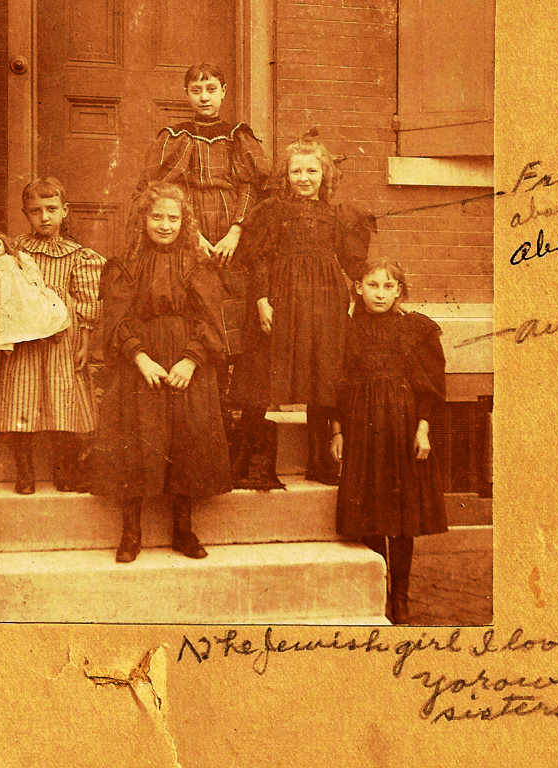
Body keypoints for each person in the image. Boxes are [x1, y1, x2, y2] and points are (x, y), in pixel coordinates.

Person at [91, 183, 232, 563]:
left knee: (186, 437)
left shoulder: (198, 265)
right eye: (157, 217)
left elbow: (210, 320)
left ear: (184, 222)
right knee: (133, 439)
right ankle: (130, 531)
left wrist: (191, 359)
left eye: (174, 218)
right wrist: (139, 358)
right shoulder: (124, 264)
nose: (165, 225)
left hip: (188, 362)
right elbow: (116, 320)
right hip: (140, 361)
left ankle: (183, 529)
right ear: (143, 219)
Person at [136, 62, 269, 457]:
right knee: (200, 311)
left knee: (234, 323)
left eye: (211, 88)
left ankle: (235, 429)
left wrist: (235, 231)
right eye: (197, 90)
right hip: (189, 237)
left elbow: (251, 185)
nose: (205, 97)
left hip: (233, 242)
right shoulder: (177, 136)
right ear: (187, 95)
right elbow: (165, 188)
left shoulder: (237, 136)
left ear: (224, 90)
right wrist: (192, 234)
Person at [230, 133, 374, 487]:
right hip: (281, 298)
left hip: (325, 303)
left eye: (312, 171)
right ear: (286, 176)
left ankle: (319, 462)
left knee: (323, 375)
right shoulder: (273, 211)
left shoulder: (336, 215)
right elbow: (259, 258)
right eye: (296, 171)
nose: (304, 178)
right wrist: (262, 299)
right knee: (263, 371)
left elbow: (353, 264)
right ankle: (252, 461)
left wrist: (362, 295)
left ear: (325, 175)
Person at [329, 257, 449, 625]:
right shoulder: (344, 331)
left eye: (388, 286)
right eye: (372, 285)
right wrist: (337, 431)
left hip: (402, 424)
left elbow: (430, 386)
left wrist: (423, 427)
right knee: (370, 512)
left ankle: (401, 597)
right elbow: (335, 385)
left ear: (399, 290)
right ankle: (375, 591)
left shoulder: (415, 329)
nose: (379, 293)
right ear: (358, 288)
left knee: (400, 517)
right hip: (362, 426)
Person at [0, 178, 105, 495]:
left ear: (65, 211)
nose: (44, 217)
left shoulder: (78, 256)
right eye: (35, 211)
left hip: (61, 341)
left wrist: (84, 343)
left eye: (52, 209)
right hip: (22, 339)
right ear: (25, 214)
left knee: (64, 402)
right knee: (21, 400)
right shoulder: (13, 251)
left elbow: (85, 301)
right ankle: (25, 472)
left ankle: (65, 470)